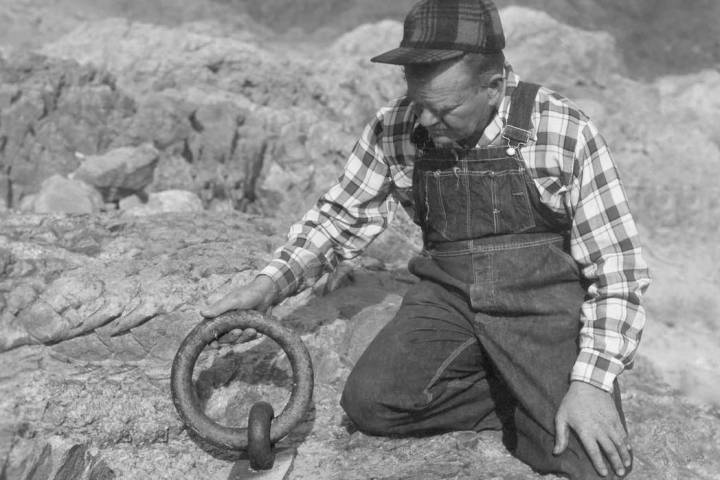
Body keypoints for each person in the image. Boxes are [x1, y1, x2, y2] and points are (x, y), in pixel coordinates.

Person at [202, 0, 651, 478]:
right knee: (371, 404)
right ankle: (514, 390)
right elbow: (339, 217)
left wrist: (591, 383)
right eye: (419, 103)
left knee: (586, 458)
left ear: (494, 86)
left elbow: (617, 269)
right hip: (449, 296)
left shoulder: (562, 129)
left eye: (445, 109)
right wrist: (269, 286)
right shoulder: (396, 126)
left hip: (541, 305)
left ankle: (533, 388)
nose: (427, 122)